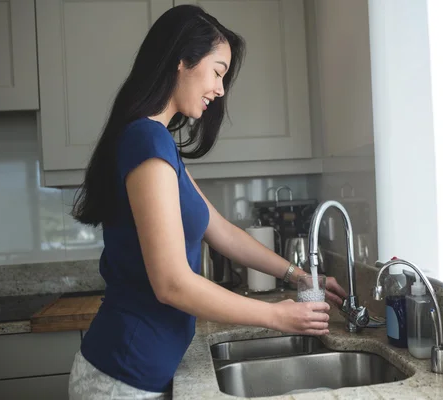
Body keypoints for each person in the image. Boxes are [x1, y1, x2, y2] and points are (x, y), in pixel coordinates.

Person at [67, 5, 347, 400]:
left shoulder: (158, 143)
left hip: (139, 371)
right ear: (182, 60)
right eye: (217, 71)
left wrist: (298, 276)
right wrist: (275, 315)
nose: (220, 89)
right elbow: (171, 284)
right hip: (121, 379)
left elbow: (222, 232)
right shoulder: (146, 141)